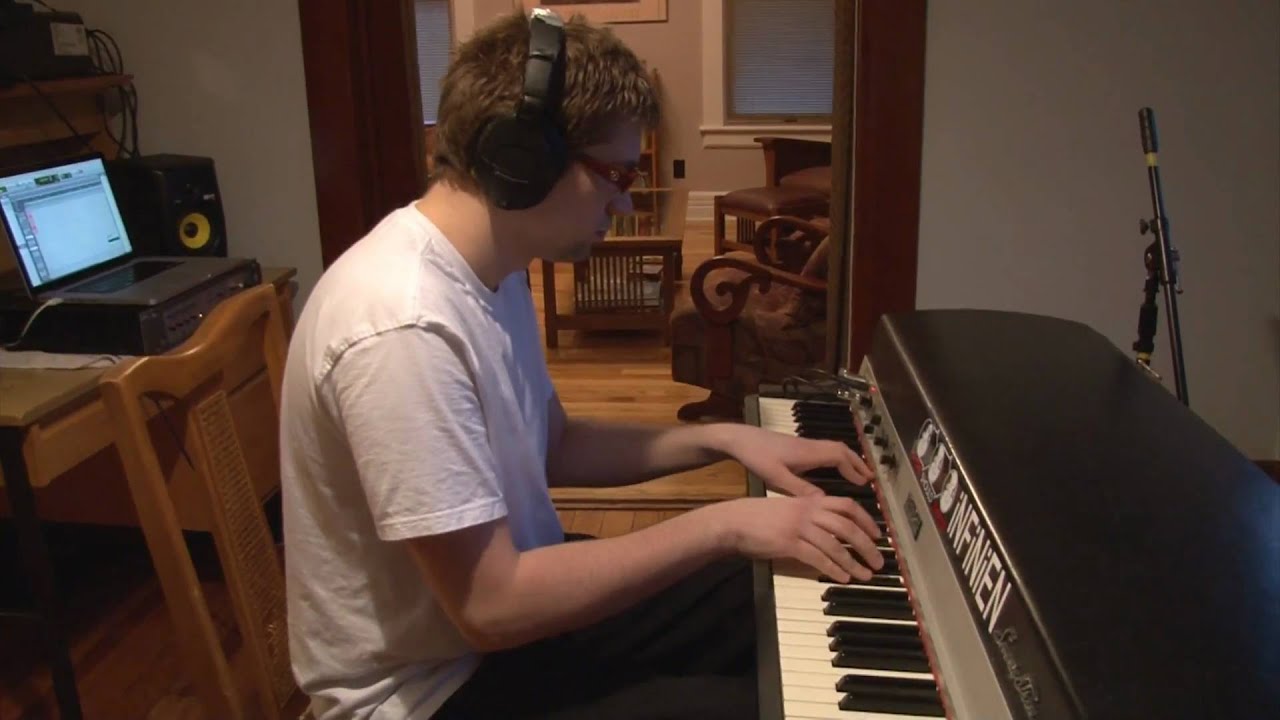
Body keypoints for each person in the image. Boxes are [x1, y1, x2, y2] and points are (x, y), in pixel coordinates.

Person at [279, 9, 884, 719]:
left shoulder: (493, 270)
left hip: (507, 625)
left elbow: (555, 444)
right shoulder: (401, 327)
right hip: (434, 687)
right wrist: (723, 523)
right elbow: (491, 608)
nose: (624, 200)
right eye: (614, 174)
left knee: (772, 597)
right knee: (766, 702)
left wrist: (725, 439)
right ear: (521, 161)